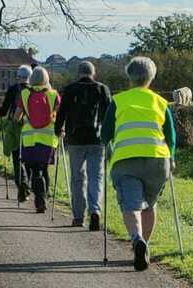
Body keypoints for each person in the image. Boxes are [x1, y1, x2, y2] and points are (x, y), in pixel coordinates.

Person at [101, 56, 176, 272]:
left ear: (129, 76)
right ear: (151, 77)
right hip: (157, 160)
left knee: (131, 205)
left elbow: (105, 134)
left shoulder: (119, 100)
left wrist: (108, 148)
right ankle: (145, 245)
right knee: (149, 205)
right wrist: (171, 158)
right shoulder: (161, 102)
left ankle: (137, 239)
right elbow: (170, 137)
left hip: (126, 160)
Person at [55, 61, 111, 230]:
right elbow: (109, 114)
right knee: (96, 176)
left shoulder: (70, 89)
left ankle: (78, 216)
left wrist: (59, 130)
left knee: (77, 178)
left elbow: (62, 112)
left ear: (79, 73)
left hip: (75, 140)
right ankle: (95, 211)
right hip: (97, 139)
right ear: (93, 73)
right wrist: (109, 136)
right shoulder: (102, 89)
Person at [15, 66, 60, 214]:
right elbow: (60, 115)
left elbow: (17, 116)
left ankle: (30, 189)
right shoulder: (53, 95)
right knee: (42, 168)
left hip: (29, 138)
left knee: (33, 168)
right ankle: (42, 197)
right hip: (47, 138)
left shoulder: (24, 94)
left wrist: (19, 120)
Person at [0, 65, 32, 202]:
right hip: (31, 128)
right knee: (28, 159)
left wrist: (1, 114)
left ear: (18, 76)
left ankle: (21, 186)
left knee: (17, 158)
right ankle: (27, 185)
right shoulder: (33, 90)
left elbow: (5, 107)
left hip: (15, 125)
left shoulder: (13, 89)